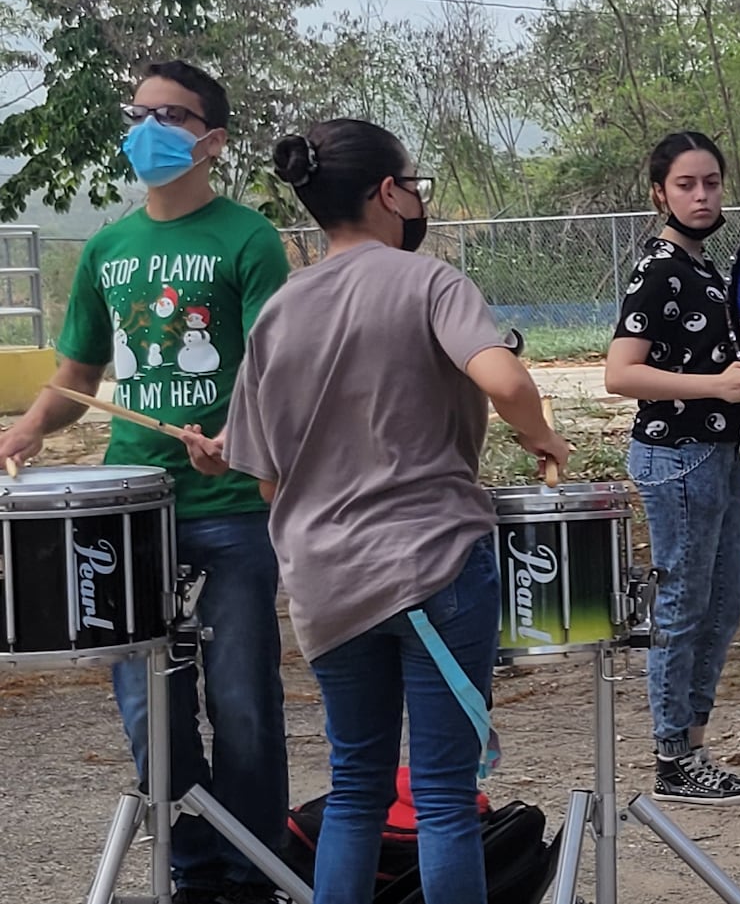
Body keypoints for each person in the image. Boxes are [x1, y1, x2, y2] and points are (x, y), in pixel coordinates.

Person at [223, 119, 573, 904]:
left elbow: (266, 485)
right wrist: (541, 433)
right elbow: (504, 378)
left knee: (356, 791)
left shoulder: (278, 312)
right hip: (435, 568)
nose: (417, 198)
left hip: (326, 583)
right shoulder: (430, 282)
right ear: (388, 192)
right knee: (445, 797)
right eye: (413, 183)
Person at [0, 60, 292, 904]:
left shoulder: (249, 239)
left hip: (233, 505)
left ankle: (253, 873)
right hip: (127, 510)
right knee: (148, 711)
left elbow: (280, 375)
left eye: (171, 113)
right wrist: (25, 427)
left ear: (212, 138)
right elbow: (74, 375)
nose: (148, 126)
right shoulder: (107, 245)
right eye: (140, 111)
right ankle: (191, 871)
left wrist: (240, 439)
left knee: (241, 699)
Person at [600, 130, 740, 806]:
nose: (701, 196)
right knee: (682, 605)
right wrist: (716, 387)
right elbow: (620, 373)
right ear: (659, 193)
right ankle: (671, 755)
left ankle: (693, 744)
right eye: (686, 185)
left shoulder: (701, 264)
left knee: (719, 606)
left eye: (712, 183)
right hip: (677, 451)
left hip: (716, 448)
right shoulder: (660, 268)